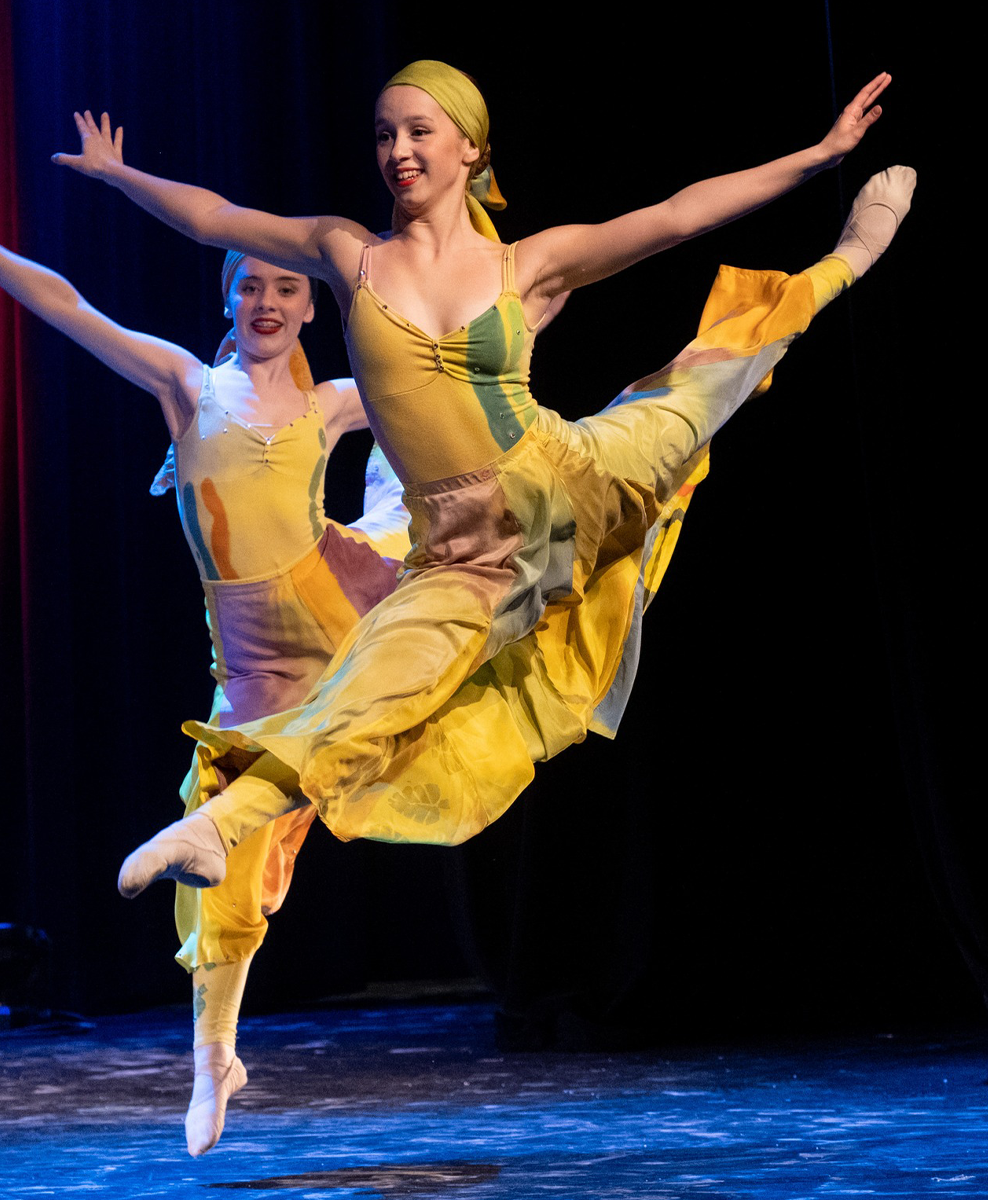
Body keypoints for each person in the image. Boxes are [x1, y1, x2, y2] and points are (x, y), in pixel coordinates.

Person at [52, 65, 914, 912]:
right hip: (464, 551)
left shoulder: (526, 265)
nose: (399, 151)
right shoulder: (346, 254)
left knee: (703, 383)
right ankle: (220, 826)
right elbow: (216, 219)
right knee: (375, 687)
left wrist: (819, 154)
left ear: (470, 146)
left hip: (566, 477)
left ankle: (846, 259)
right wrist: (119, 174)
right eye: (385, 134)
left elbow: (675, 215)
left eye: (419, 132)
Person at [0, 149, 412, 1155]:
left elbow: (450, 377)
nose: (268, 298)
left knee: (451, 540)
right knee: (222, 872)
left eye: (286, 284)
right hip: (256, 678)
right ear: (226, 298)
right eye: (249, 283)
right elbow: (73, 309)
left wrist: (514, 298)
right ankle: (214, 1062)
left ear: (313, 309)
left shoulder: (329, 406)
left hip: (348, 629)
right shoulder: (191, 390)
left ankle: (414, 504)